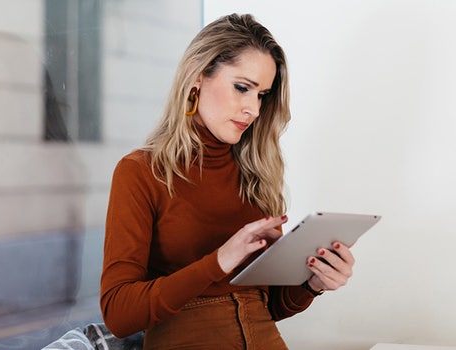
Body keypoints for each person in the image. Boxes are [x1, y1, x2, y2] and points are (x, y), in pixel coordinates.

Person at [100, 13, 355, 349]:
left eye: (262, 95)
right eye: (242, 88)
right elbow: (118, 314)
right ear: (197, 76)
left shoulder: (257, 174)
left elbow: (271, 305)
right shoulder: (141, 171)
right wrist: (218, 262)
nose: (253, 109)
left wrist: (313, 282)